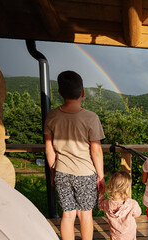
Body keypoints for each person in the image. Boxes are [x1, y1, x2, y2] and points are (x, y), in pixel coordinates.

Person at [44, 70, 105, 240]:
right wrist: (100, 176)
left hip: (62, 172)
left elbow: (49, 149)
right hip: (85, 174)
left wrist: (53, 172)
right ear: (83, 93)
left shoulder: (52, 116)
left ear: (60, 92)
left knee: (68, 215)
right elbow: (96, 150)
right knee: (85, 215)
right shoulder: (91, 117)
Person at [98, 171, 142, 240]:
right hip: (129, 235)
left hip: (115, 235)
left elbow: (100, 205)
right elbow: (138, 213)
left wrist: (101, 193)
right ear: (126, 188)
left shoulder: (107, 203)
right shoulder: (132, 204)